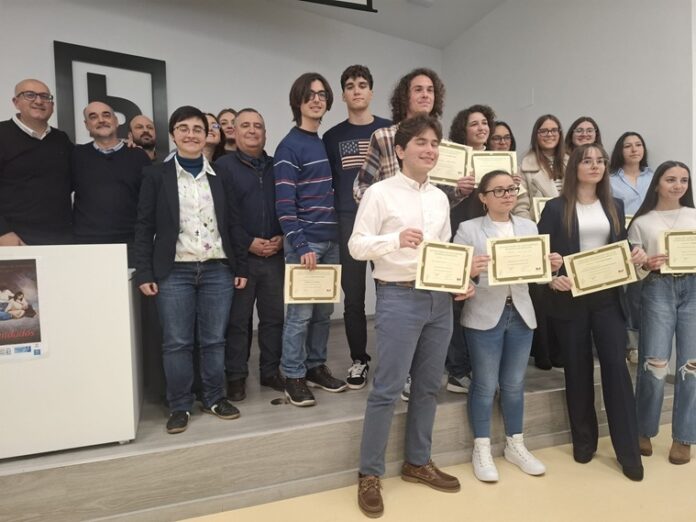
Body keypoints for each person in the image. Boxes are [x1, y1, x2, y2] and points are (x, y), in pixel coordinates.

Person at [349, 115, 472, 518]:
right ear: (400, 150)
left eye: (435, 143)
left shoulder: (439, 197)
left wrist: (459, 281)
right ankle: (370, 474)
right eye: (421, 142)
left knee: (427, 386)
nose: (430, 149)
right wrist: (394, 240)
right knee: (386, 388)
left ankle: (418, 462)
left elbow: (445, 250)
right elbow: (356, 246)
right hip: (398, 297)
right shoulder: (380, 193)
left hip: (439, 300)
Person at [134, 105, 248, 434]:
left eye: (197, 128)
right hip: (175, 271)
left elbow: (234, 224)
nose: (191, 134)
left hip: (217, 270)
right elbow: (143, 227)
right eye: (183, 128)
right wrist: (145, 272)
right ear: (173, 135)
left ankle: (213, 397)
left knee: (214, 340)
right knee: (177, 342)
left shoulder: (221, 175)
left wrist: (238, 264)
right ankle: (180, 404)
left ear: (207, 134)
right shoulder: (156, 175)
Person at [537, 143, 647, 481]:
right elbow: (540, 253)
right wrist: (553, 277)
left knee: (616, 367)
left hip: (607, 298)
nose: (595, 166)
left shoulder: (614, 204)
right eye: (588, 161)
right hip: (570, 298)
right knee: (578, 369)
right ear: (576, 168)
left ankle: (628, 452)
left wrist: (635, 253)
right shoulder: (556, 208)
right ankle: (583, 442)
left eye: (600, 161)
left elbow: (620, 245)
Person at [454, 170, 562, 482]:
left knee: (514, 384)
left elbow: (538, 274)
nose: (507, 195)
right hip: (484, 313)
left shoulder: (529, 226)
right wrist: (470, 269)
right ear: (483, 197)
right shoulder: (469, 229)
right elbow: (458, 275)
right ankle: (482, 447)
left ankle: (515, 443)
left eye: (511, 189)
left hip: (522, 313)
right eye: (498, 190)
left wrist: (552, 267)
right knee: (485, 384)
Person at [274, 72, 347, 407]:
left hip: (331, 241)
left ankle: (316, 367)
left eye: (322, 94)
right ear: (298, 101)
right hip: (306, 244)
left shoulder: (322, 141)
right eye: (310, 94)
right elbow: (284, 203)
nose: (317, 99)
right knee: (299, 315)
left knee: (322, 314)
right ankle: (293, 375)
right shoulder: (289, 146)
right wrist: (300, 245)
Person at [323, 65, 391, 389]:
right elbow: (330, 183)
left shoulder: (391, 130)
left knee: (389, 293)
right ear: (343, 95)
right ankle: (358, 360)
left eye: (362, 85)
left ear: (371, 91)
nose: (357, 90)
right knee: (353, 298)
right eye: (350, 86)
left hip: (385, 222)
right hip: (349, 221)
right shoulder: (332, 137)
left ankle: (393, 360)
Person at [627, 160, 695, 465]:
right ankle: (643, 429)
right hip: (657, 288)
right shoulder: (642, 222)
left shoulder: (694, 216)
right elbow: (632, 266)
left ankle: (684, 437)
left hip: (693, 289)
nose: (678, 185)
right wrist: (645, 263)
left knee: (691, 366)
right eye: (671, 179)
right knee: (654, 364)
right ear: (657, 183)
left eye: (683, 180)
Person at [215, 108, 285, 400]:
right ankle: (236, 376)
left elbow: (287, 202)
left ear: (265, 133)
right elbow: (221, 216)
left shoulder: (277, 165)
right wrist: (247, 242)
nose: (252, 130)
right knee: (238, 322)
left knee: (273, 319)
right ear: (235, 132)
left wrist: (282, 237)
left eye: (258, 126)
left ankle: (270, 372)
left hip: (275, 256)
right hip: (242, 259)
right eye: (246, 125)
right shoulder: (223, 167)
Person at [443, 104, 500, 395]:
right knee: (457, 301)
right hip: (457, 235)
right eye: (474, 124)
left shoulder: (497, 162)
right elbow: (440, 197)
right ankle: (456, 370)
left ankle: (477, 365)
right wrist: (457, 187)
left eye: (484, 123)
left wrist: (507, 185)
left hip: (486, 236)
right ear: (462, 131)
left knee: (479, 300)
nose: (481, 128)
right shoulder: (451, 160)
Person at [516, 114, 567, 370]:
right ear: (536, 134)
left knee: (566, 293)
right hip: (540, 234)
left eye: (553, 130)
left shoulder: (571, 162)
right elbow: (521, 204)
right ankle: (544, 353)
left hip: (568, 233)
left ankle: (563, 350)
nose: (549, 134)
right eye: (543, 130)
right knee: (543, 295)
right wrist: (532, 233)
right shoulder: (524, 166)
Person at [72, 101, 151, 266]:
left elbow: (148, 203)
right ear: (87, 125)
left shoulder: (138, 156)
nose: (101, 120)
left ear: (116, 121)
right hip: (86, 246)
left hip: (130, 245)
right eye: (93, 117)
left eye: (106, 115)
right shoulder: (76, 155)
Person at [0, 79, 73, 246]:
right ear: (16, 102)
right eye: (30, 95)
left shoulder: (61, 139)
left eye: (45, 97)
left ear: (52, 105)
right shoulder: (1, 134)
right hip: (13, 240)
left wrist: (127, 146)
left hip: (60, 240)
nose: (39, 101)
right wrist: (2, 232)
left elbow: (85, 169)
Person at [609, 131, 654, 364]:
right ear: (620, 150)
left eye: (638, 144)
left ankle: (639, 343)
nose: (634, 149)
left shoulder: (654, 177)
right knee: (623, 292)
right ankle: (627, 343)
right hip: (620, 240)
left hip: (648, 241)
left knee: (641, 292)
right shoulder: (610, 180)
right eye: (628, 146)